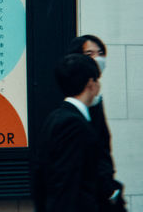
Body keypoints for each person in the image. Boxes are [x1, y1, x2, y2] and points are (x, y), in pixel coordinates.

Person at [34, 53, 104, 212]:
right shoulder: (73, 124)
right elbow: (67, 184)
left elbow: (40, 177)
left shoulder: (56, 117)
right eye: (97, 80)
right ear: (90, 83)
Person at [67, 35, 126, 212]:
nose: (97, 58)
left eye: (100, 53)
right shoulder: (72, 105)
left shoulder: (96, 99)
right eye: (90, 53)